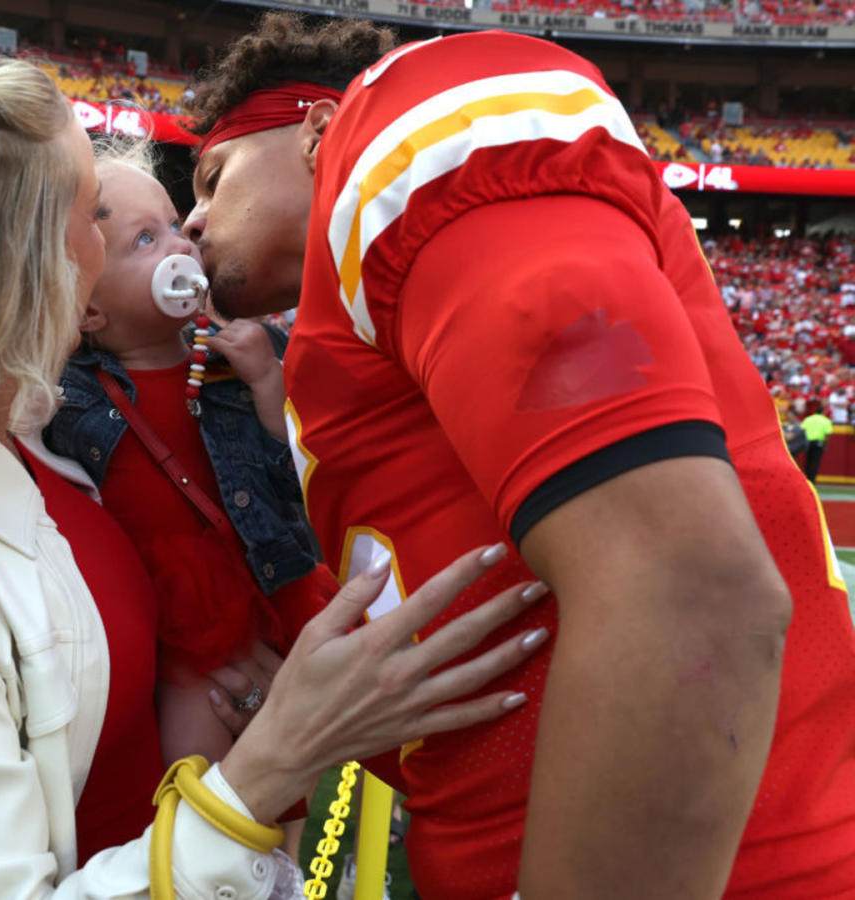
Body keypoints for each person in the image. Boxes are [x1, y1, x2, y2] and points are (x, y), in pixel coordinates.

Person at [0, 49, 549, 899]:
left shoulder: (33, 441)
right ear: (19, 258)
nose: (183, 241)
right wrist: (277, 753)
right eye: (95, 212)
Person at [182, 13, 855, 899]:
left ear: (314, 126)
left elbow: (687, 591)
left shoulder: (405, 125)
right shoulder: (350, 315)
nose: (192, 220)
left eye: (212, 177)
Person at [44, 145, 335, 768]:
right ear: (88, 307)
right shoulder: (67, 394)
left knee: (284, 779)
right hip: (153, 618)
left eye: (175, 225)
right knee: (189, 755)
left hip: (257, 591)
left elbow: (301, 489)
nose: (180, 245)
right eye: (144, 240)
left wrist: (270, 390)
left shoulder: (239, 363)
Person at [801, 403, 833, 482]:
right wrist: (825, 444)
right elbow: (827, 434)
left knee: (808, 460)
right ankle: (812, 479)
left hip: (807, 442)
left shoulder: (808, 419)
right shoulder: (826, 420)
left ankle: (806, 478)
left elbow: (802, 430)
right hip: (819, 442)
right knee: (815, 461)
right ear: (823, 412)